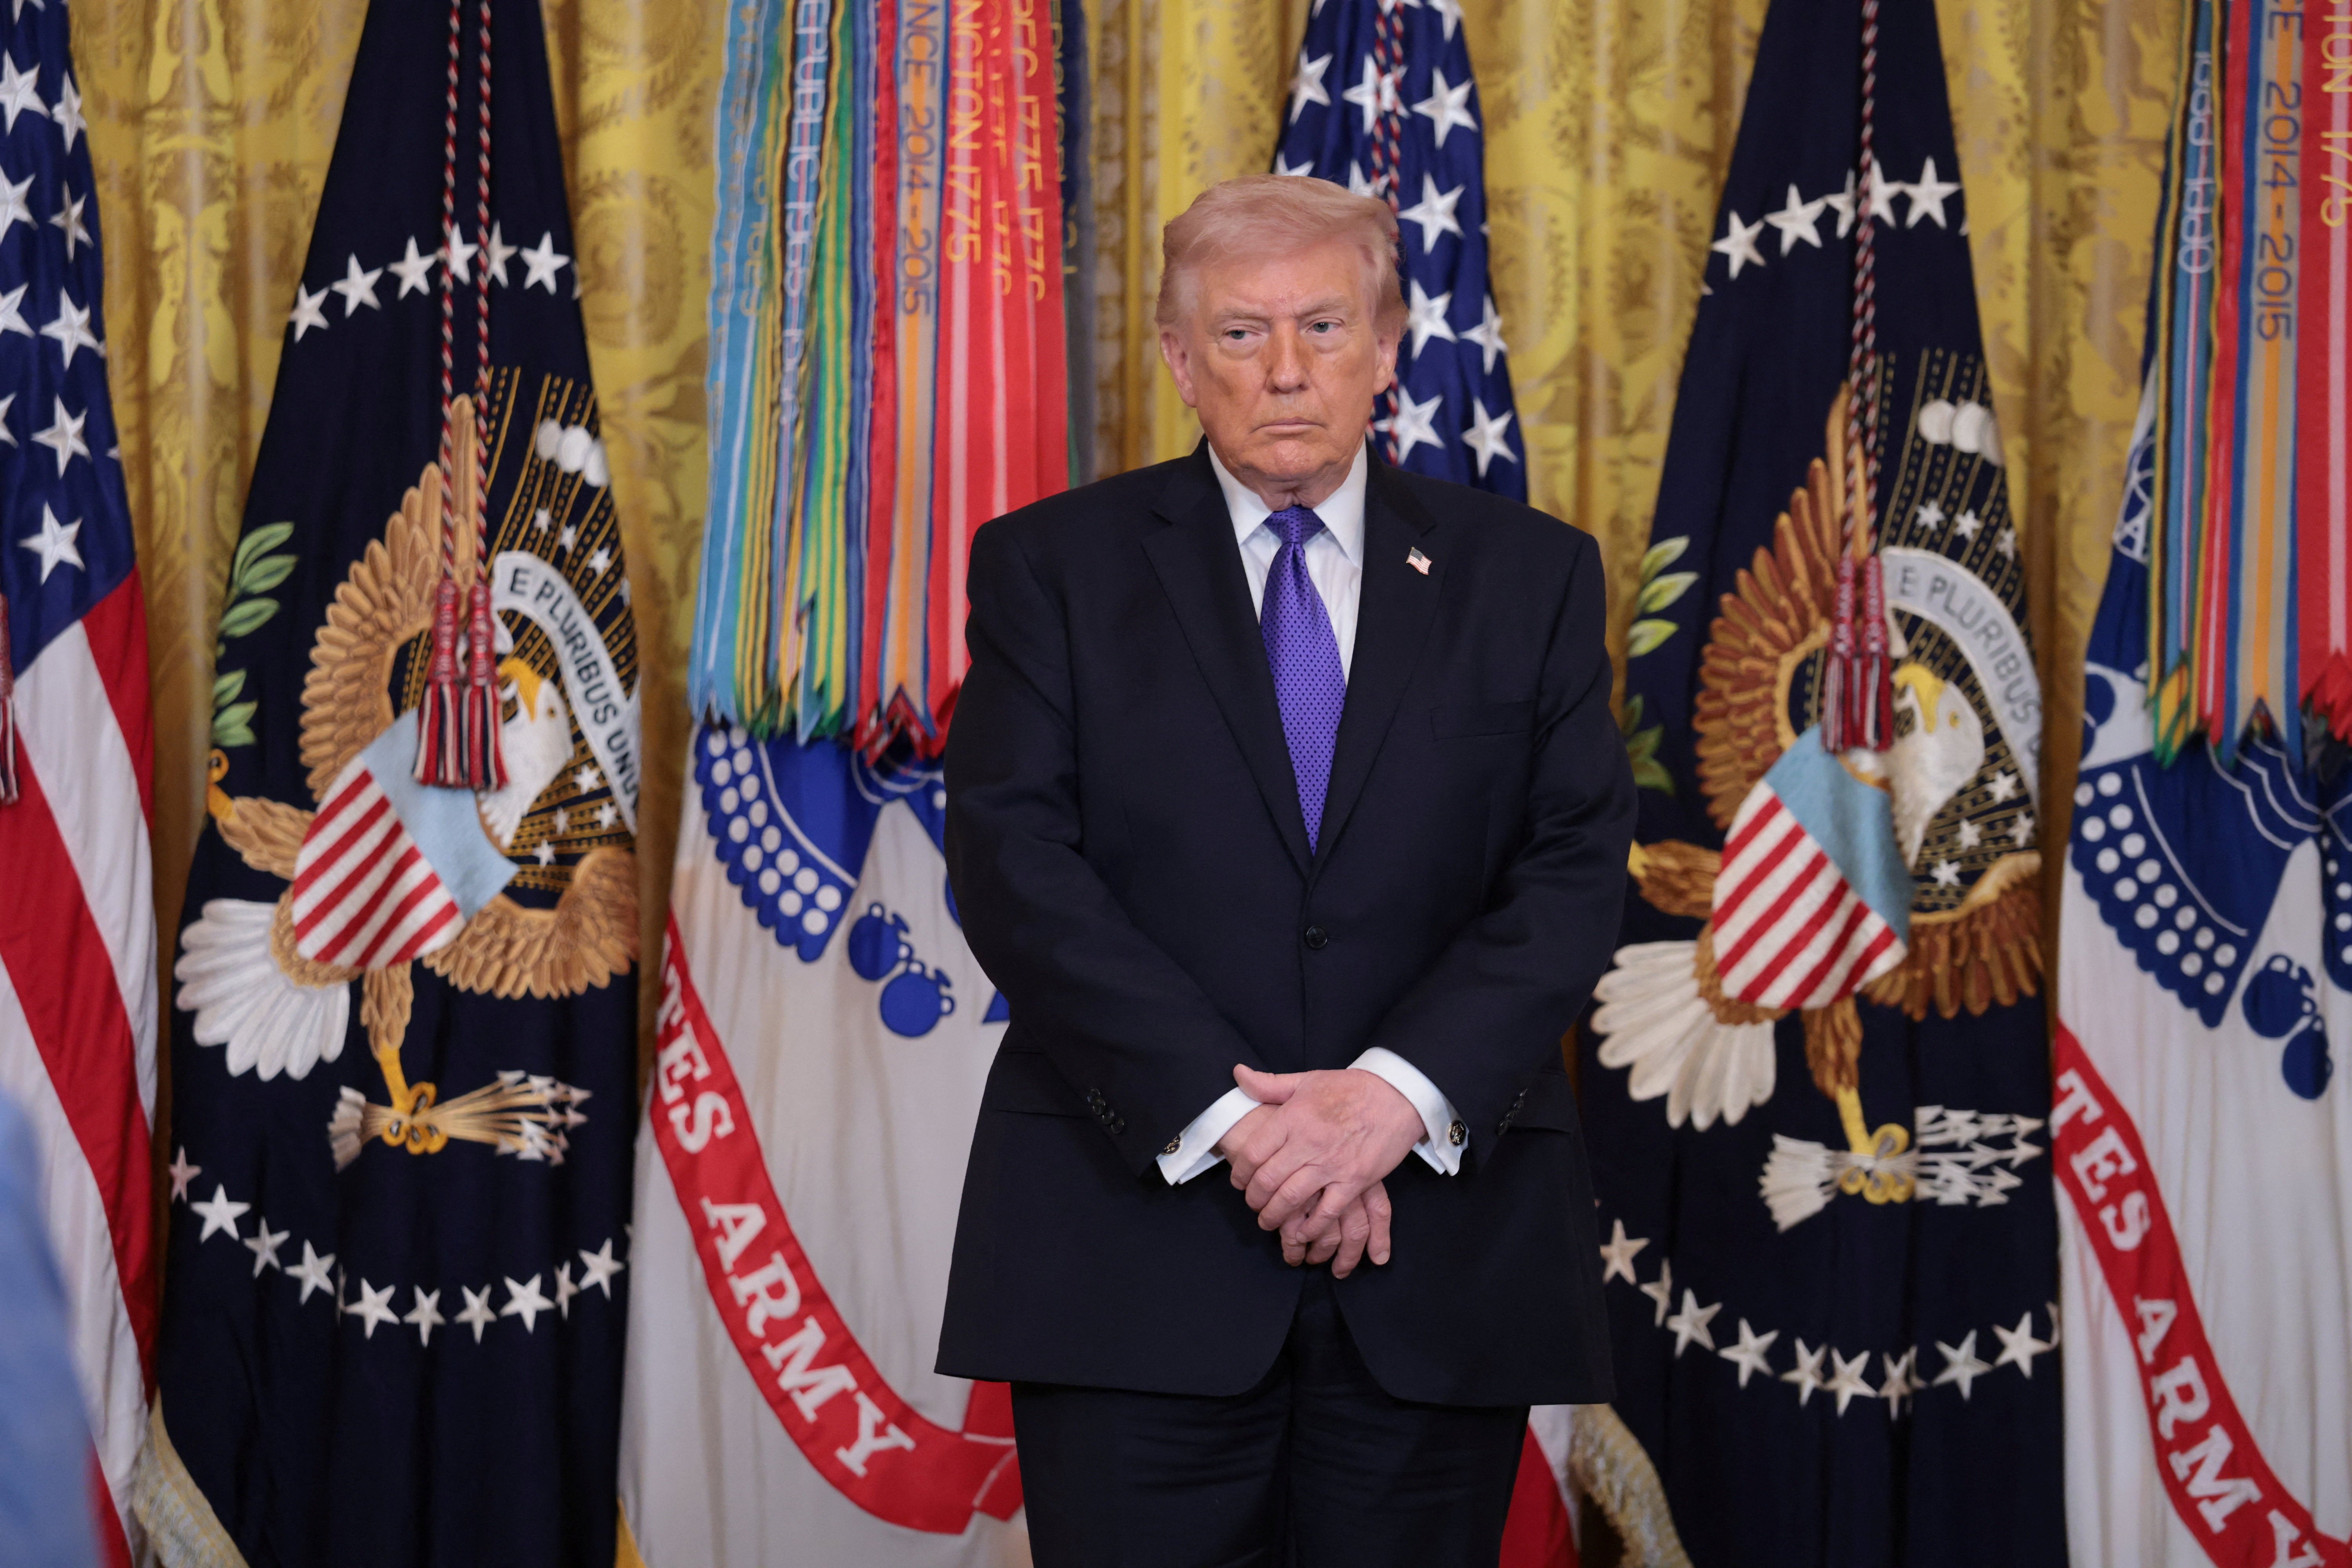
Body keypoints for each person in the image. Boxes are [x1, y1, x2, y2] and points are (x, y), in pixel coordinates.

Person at [938, 173, 1633, 1566]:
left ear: (1388, 349)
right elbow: (1018, 867)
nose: (1290, 370)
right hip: (1132, 1250)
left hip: (1438, 1251)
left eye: (1324, 325)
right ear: (1183, 364)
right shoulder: (1048, 569)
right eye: (1243, 336)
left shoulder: (1533, 576)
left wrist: (1390, 1099)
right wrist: (1240, 1125)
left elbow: (1572, 871)